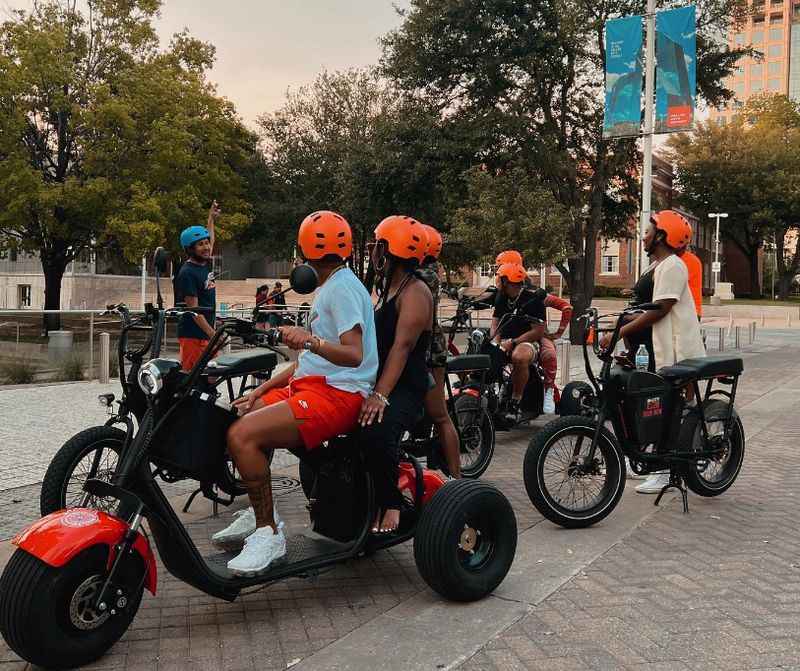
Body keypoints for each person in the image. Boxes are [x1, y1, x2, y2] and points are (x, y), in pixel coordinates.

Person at [215, 211, 378, 574]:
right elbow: (308, 364)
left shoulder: (343, 290)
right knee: (244, 414)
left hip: (340, 396)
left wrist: (312, 340)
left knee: (242, 436)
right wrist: (262, 391)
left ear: (304, 250)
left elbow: (354, 354)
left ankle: (268, 533)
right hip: (315, 386)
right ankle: (263, 511)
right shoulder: (333, 286)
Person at [599, 210, 706, 494]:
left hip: (668, 348)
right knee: (644, 406)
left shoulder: (673, 265)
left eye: (647, 231)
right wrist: (614, 325)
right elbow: (639, 307)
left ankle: (666, 470)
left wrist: (618, 332)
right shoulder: (656, 266)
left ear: (662, 236)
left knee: (666, 407)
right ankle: (645, 456)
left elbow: (660, 309)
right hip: (645, 349)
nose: (643, 235)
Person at [360, 215, 433, 534]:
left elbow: (402, 347)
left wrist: (379, 395)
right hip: (381, 379)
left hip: (404, 386)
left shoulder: (415, 292)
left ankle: (392, 502)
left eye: (378, 245)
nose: (373, 251)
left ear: (393, 250)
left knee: (377, 429)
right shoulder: (386, 286)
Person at [492, 262, 572, 419]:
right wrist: (496, 342)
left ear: (507, 281)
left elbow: (538, 331)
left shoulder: (534, 299)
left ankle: (517, 401)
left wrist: (513, 342)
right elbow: (495, 322)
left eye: (500, 278)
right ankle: (491, 394)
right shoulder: (501, 298)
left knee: (521, 357)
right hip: (505, 340)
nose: (497, 281)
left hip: (526, 341)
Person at [417, 224, 461, 478]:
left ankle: (457, 477)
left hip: (430, 350)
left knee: (439, 414)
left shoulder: (426, 275)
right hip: (423, 347)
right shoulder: (419, 272)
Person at [175, 201, 220, 371]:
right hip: (193, 335)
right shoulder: (187, 273)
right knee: (191, 376)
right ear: (190, 249)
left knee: (212, 374)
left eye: (206, 243)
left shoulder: (205, 262)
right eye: (200, 244)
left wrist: (211, 219)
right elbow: (194, 310)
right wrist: (213, 334)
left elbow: (211, 238)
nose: (206, 247)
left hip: (207, 332)